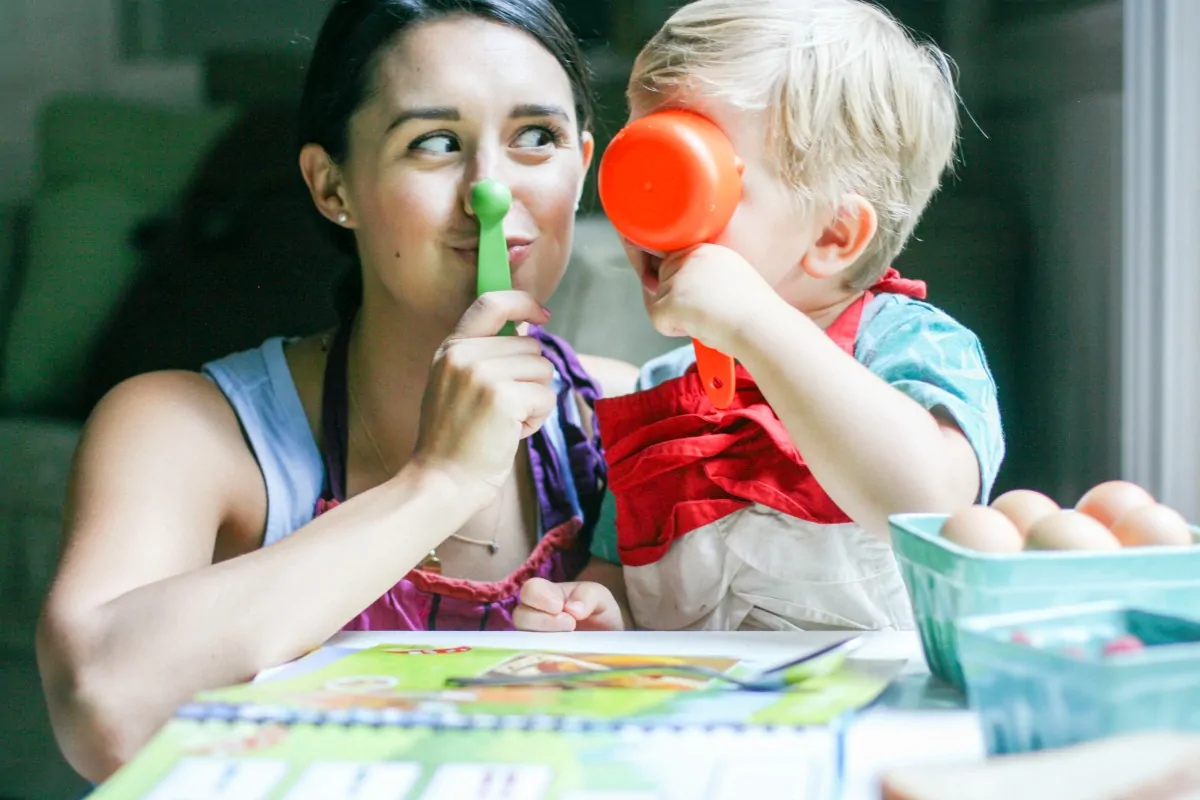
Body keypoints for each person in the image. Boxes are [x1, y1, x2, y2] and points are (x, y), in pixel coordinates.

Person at [36, 0, 636, 782]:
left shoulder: (623, 415)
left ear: (582, 164)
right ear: (331, 187)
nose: (491, 191)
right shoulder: (181, 427)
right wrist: (440, 479)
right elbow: (102, 707)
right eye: (435, 143)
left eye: (536, 138)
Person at [515, 0, 1004, 634]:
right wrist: (598, 610)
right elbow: (625, 574)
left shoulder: (911, 349)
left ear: (833, 233)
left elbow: (923, 505)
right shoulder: (662, 398)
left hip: (876, 716)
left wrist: (758, 325)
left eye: (689, 178)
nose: (646, 219)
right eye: (641, 170)